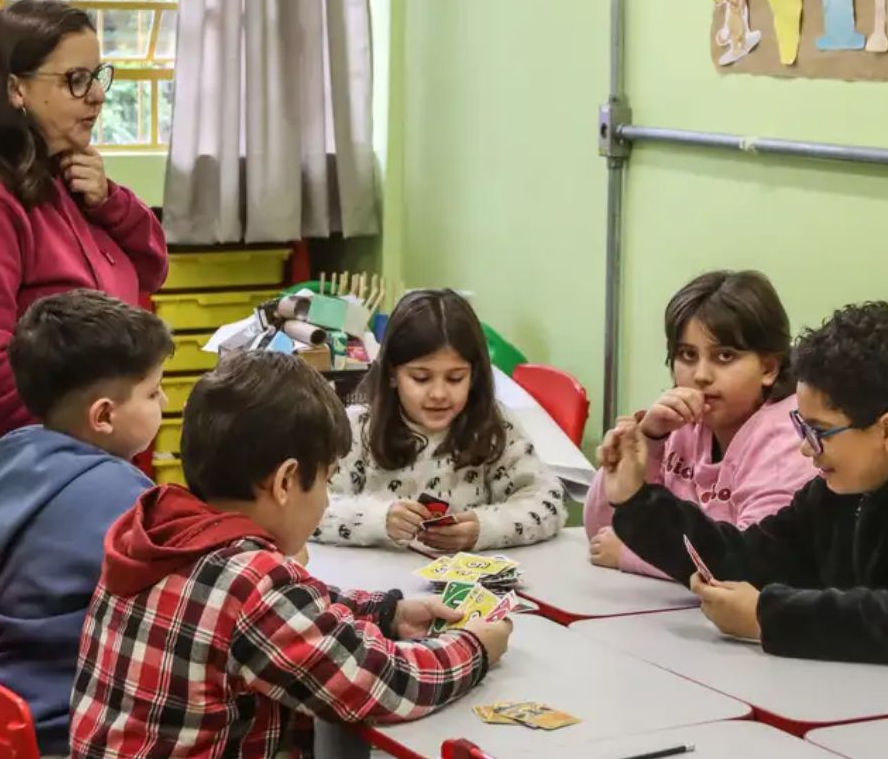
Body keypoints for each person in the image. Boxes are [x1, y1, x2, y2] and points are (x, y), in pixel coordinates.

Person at [70, 351, 510, 758]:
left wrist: (387, 613)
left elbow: (292, 608)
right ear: (285, 482)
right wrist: (474, 648)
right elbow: (381, 682)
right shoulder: (251, 585)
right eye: (326, 480)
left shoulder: (159, 529)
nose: (325, 499)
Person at [602, 301, 888, 674]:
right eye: (800, 426)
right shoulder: (835, 493)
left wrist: (768, 616)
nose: (805, 449)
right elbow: (745, 558)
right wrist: (635, 500)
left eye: (820, 431)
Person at [0, 0, 168, 582]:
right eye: (75, 80)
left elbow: (148, 269)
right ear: (16, 89)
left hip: (60, 447)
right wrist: (88, 438)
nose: (97, 96)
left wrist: (110, 201)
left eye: (98, 76)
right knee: (38, 623)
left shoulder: (53, 169)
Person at [0, 290, 171, 755]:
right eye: (153, 392)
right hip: (74, 716)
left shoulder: (13, 465)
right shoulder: (123, 498)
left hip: (11, 699)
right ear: (104, 415)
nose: (166, 400)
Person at [585, 271, 815, 578]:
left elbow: (752, 564)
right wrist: (649, 440)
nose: (701, 375)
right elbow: (601, 531)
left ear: (768, 368)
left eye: (725, 356)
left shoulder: (788, 437)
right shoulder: (678, 422)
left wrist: (633, 554)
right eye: (687, 355)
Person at [312, 289, 565, 552]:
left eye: (455, 378)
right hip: (373, 576)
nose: (439, 394)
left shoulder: (494, 427)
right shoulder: (357, 428)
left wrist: (485, 528)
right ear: (392, 374)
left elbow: (547, 503)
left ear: (474, 376)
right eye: (421, 378)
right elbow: (303, 508)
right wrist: (378, 521)